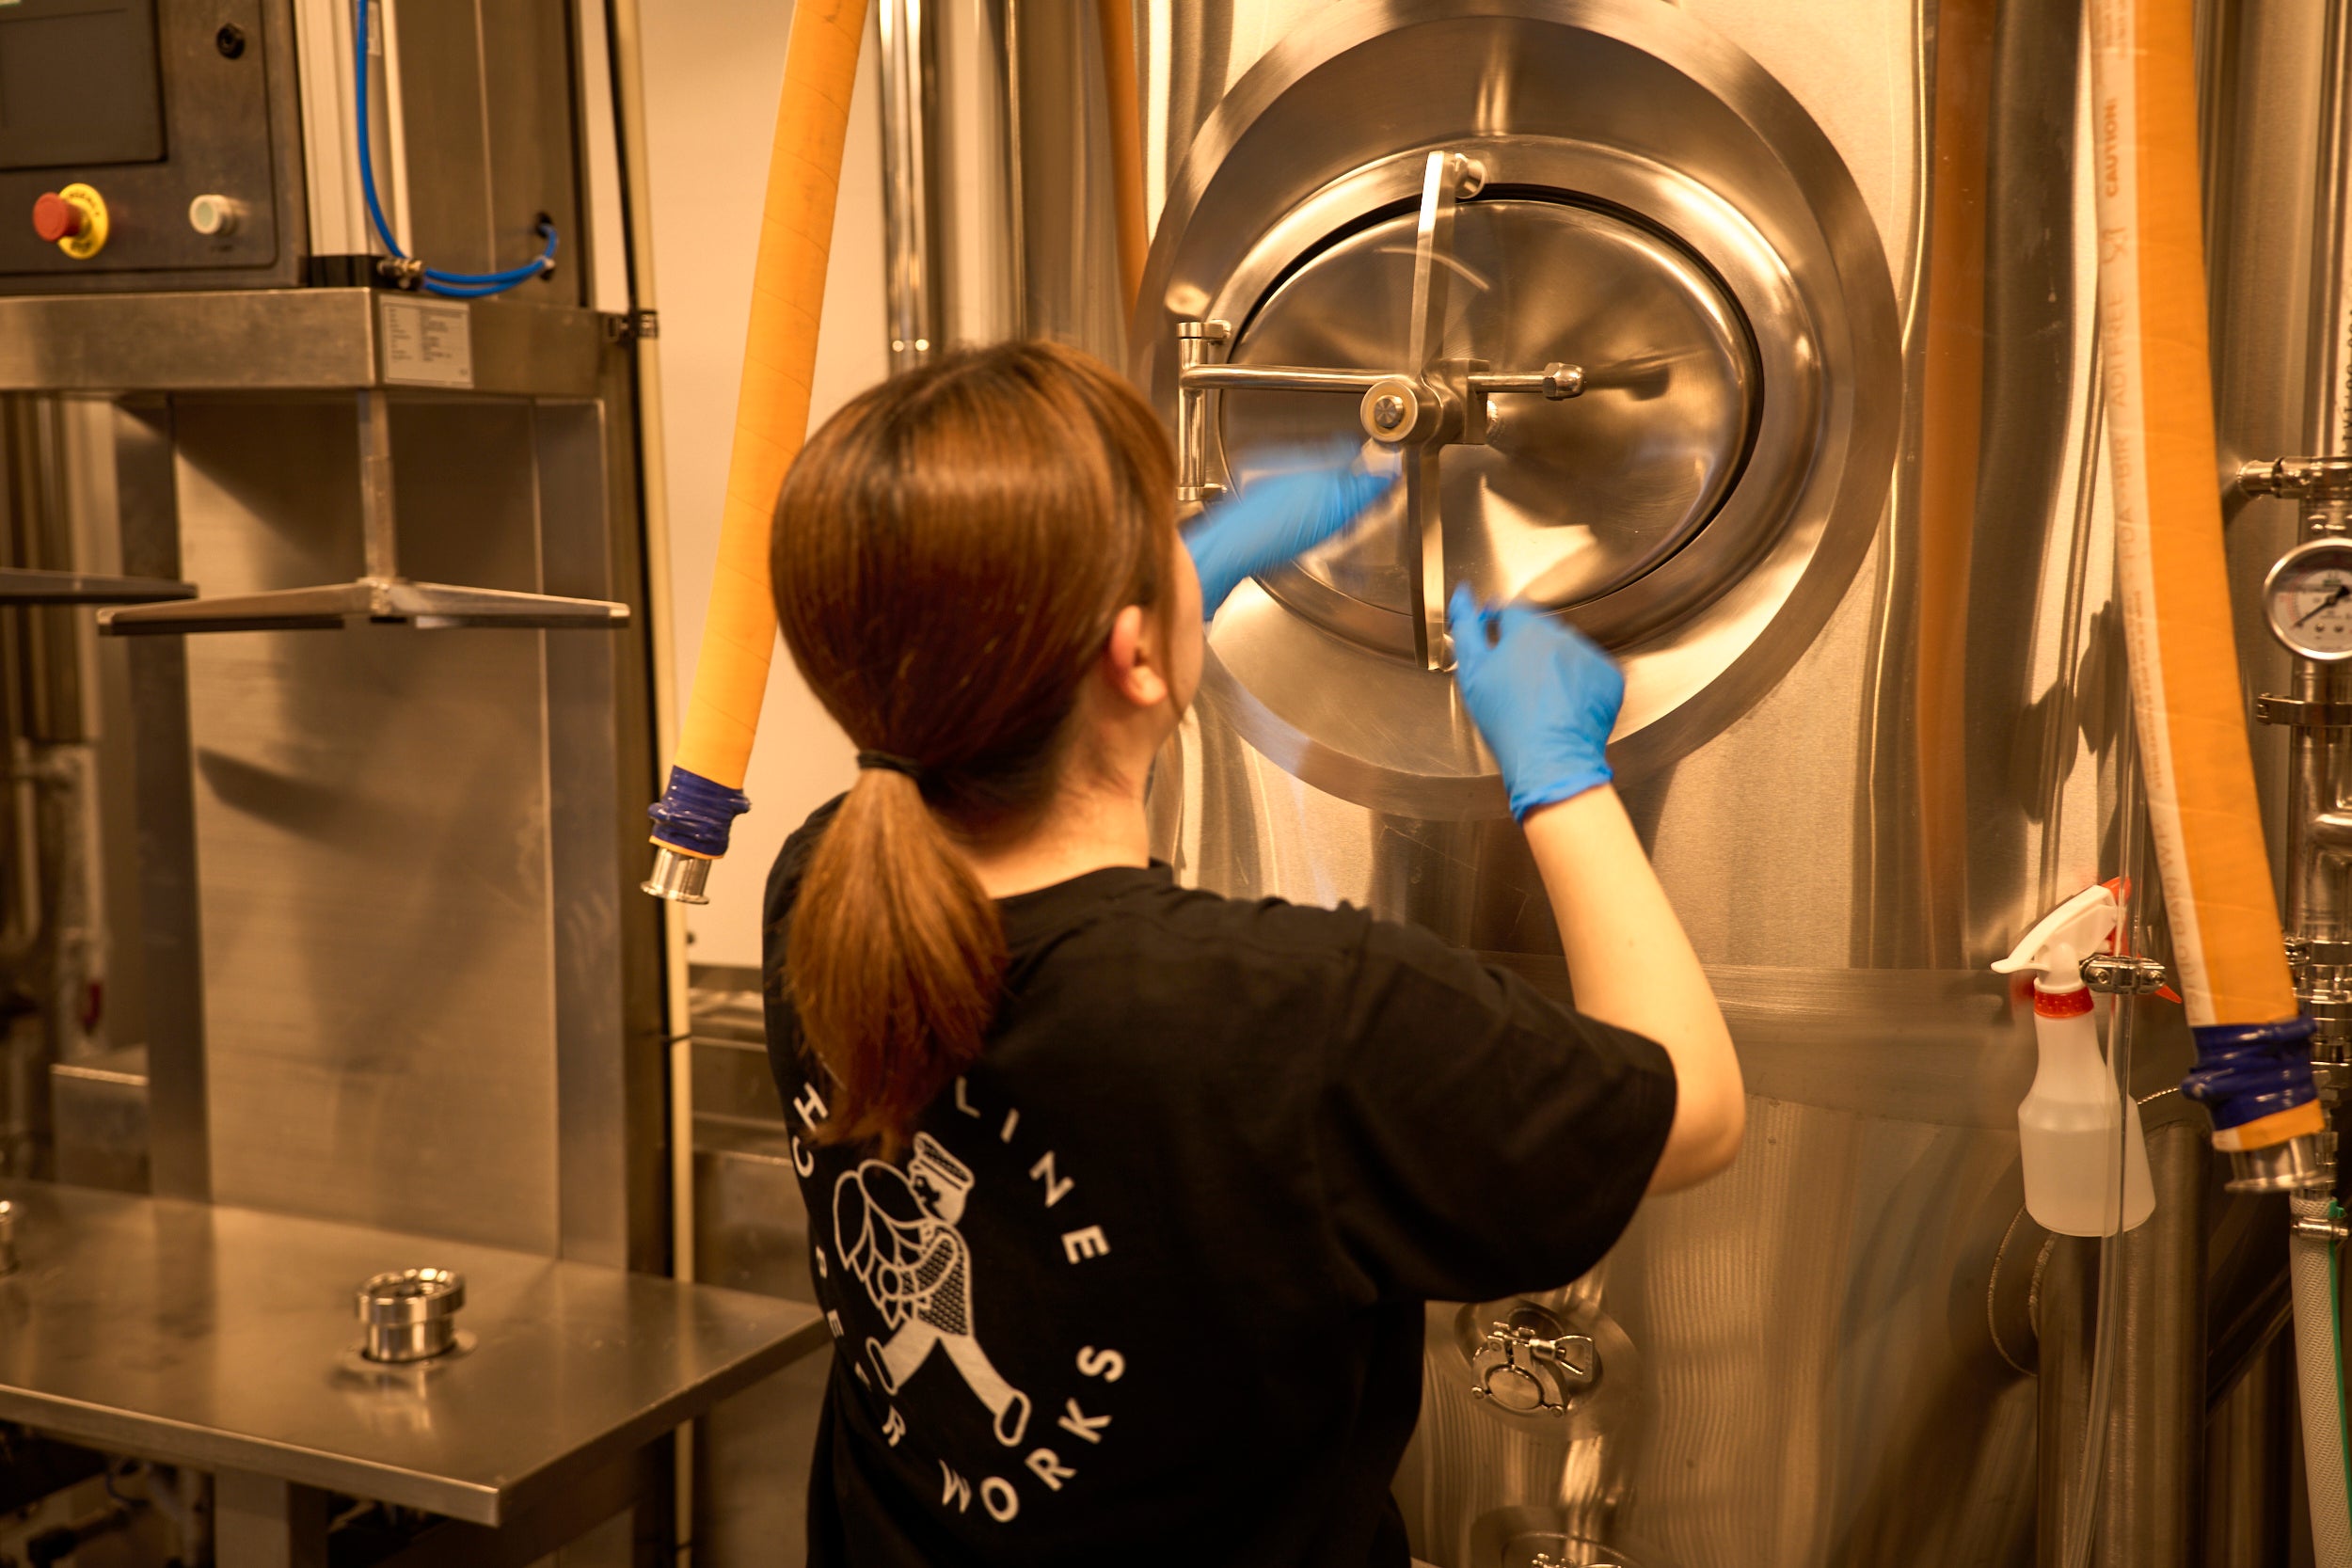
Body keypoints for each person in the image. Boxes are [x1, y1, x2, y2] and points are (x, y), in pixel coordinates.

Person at [760, 341, 1741, 1568]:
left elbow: (997, 758)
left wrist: (1159, 613)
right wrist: (1561, 778)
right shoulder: (1282, 1011)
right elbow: (1692, 1111)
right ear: (1131, 656)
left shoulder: (818, 889)